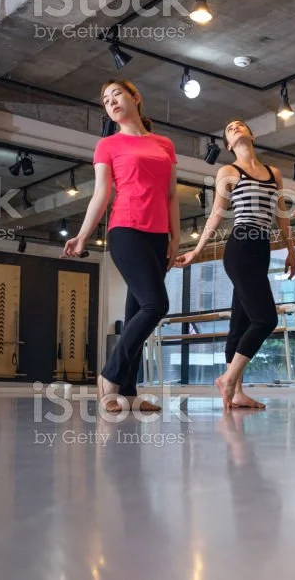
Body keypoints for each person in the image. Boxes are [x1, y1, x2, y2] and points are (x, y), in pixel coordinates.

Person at [64, 79, 180, 413]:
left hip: (158, 236)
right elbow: (102, 193)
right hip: (126, 229)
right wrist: (84, 235)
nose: (110, 101)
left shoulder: (164, 144)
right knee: (155, 305)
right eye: (104, 99)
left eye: (116, 94)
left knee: (135, 312)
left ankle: (128, 392)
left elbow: (171, 195)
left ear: (135, 98)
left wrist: (175, 237)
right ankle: (110, 376)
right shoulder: (108, 146)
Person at [175, 120, 295, 410]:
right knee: (265, 318)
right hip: (240, 245)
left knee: (240, 322)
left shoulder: (273, 173)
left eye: (240, 126)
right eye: (229, 129)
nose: (235, 129)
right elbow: (216, 215)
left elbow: (280, 214)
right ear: (228, 145)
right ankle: (228, 378)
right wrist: (195, 251)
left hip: (262, 247)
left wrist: (291, 250)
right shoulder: (228, 171)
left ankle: (238, 392)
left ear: (252, 135)